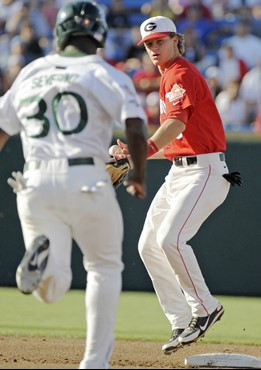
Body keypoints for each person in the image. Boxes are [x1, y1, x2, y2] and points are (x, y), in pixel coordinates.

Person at [0, 1, 147, 369]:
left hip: (33, 182)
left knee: (53, 288)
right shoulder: (104, 73)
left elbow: (1, 128)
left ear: (60, 32)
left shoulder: (32, 71)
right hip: (85, 177)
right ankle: (94, 362)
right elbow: (135, 126)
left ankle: (43, 265)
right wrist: (139, 175)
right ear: (99, 35)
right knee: (104, 267)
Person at [115, 15, 241, 355]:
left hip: (206, 173)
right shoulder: (168, 77)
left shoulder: (180, 73)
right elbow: (174, 143)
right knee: (148, 245)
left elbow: (173, 125)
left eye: (160, 41)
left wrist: (143, 150)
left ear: (176, 40)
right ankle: (180, 318)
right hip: (181, 171)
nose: (154, 48)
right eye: (149, 44)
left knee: (170, 238)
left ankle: (206, 308)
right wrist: (132, 154)